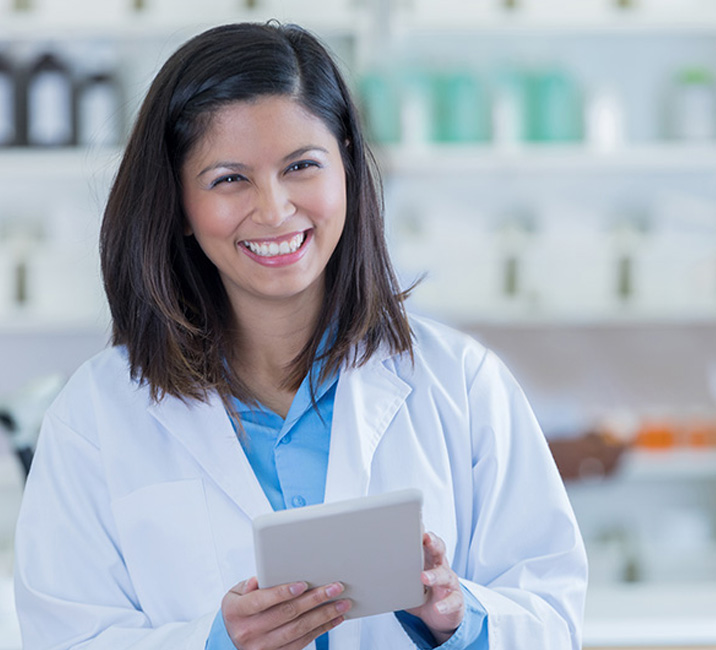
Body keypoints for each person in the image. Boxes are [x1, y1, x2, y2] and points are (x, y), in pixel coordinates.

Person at [14, 22, 587, 650]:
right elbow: (64, 637)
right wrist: (213, 643)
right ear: (177, 203)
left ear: (345, 165)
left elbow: (552, 616)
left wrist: (459, 615)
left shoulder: (462, 382)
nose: (275, 208)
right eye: (229, 179)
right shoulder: (96, 415)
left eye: (301, 166)